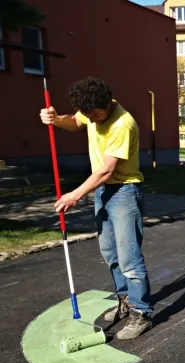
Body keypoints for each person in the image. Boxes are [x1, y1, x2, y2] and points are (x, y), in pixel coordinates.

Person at [39, 77, 153, 340]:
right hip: (103, 191)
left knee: (129, 256)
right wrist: (55, 119)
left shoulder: (123, 124)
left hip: (124, 191)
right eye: (88, 116)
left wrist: (74, 195)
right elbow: (75, 121)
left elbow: (106, 170)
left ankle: (142, 312)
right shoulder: (91, 110)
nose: (92, 121)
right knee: (110, 252)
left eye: (96, 116)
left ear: (107, 104)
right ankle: (125, 299)